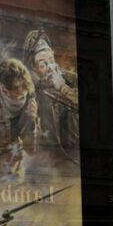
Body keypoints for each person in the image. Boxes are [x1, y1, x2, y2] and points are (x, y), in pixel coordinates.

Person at [23, 28, 78, 167]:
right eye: (42, 64)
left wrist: (62, 88)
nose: (50, 68)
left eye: (51, 60)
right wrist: (31, 119)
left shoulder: (71, 80)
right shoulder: (32, 94)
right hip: (51, 165)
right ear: (34, 70)